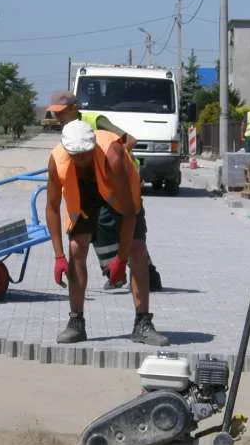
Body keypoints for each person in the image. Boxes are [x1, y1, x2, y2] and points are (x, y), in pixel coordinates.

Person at [45, 116, 170, 347]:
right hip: (83, 195)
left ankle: (142, 322)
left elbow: (128, 215)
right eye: (76, 155)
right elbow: (52, 208)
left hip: (120, 193)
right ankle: (76, 322)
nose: (82, 159)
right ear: (67, 151)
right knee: (76, 248)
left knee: (137, 249)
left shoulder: (112, 155)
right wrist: (58, 256)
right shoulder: (57, 160)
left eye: (86, 153)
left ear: (93, 145)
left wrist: (121, 261)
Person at [46, 90, 164, 292]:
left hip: (117, 181)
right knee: (107, 230)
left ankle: (129, 273)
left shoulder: (95, 121)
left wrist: (118, 166)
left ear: (74, 108)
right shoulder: (69, 129)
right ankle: (124, 272)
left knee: (124, 231)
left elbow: (130, 140)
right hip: (94, 184)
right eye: (54, 113)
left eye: (61, 112)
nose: (57, 117)